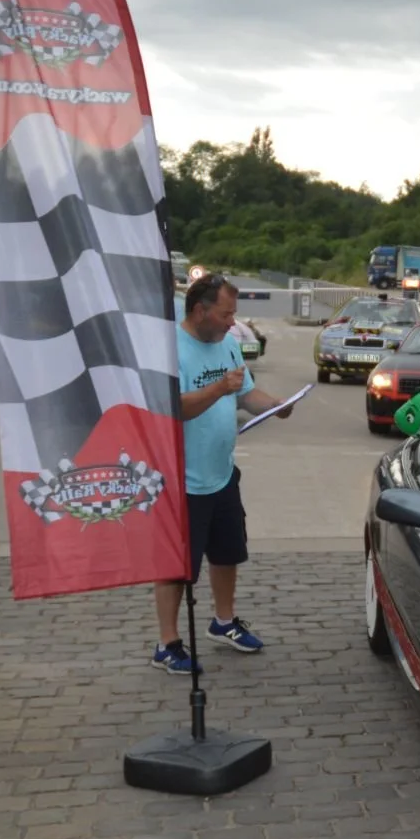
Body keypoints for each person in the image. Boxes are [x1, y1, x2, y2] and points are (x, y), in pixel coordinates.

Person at [152, 273, 296, 672]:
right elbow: (174, 409)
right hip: (183, 479)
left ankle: (224, 621)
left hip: (221, 472)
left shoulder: (228, 345)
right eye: (226, 313)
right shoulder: (170, 350)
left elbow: (246, 393)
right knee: (177, 566)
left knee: (228, 552)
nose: (233, 322)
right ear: (200, 310)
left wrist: (276, 405)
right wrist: (217, 388)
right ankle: (167, 643)